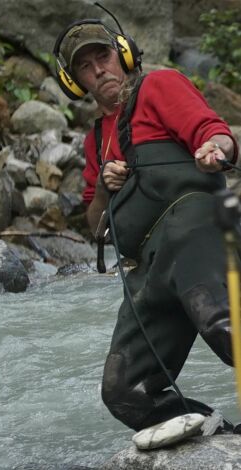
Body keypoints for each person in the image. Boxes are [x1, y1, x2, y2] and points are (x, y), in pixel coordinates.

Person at [53, 15, 240, 449]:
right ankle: (220, 437)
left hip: (196, 233)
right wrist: (102, 188)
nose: (99, 69)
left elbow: (213, 131)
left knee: (225, 326)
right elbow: (96, 225)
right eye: (85, 66)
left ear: (123, 55)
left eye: (104, 56)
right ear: (74, 81)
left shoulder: (159, 86)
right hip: (146, 270)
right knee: (124, 391)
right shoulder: (95, 139)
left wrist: (217, 149)